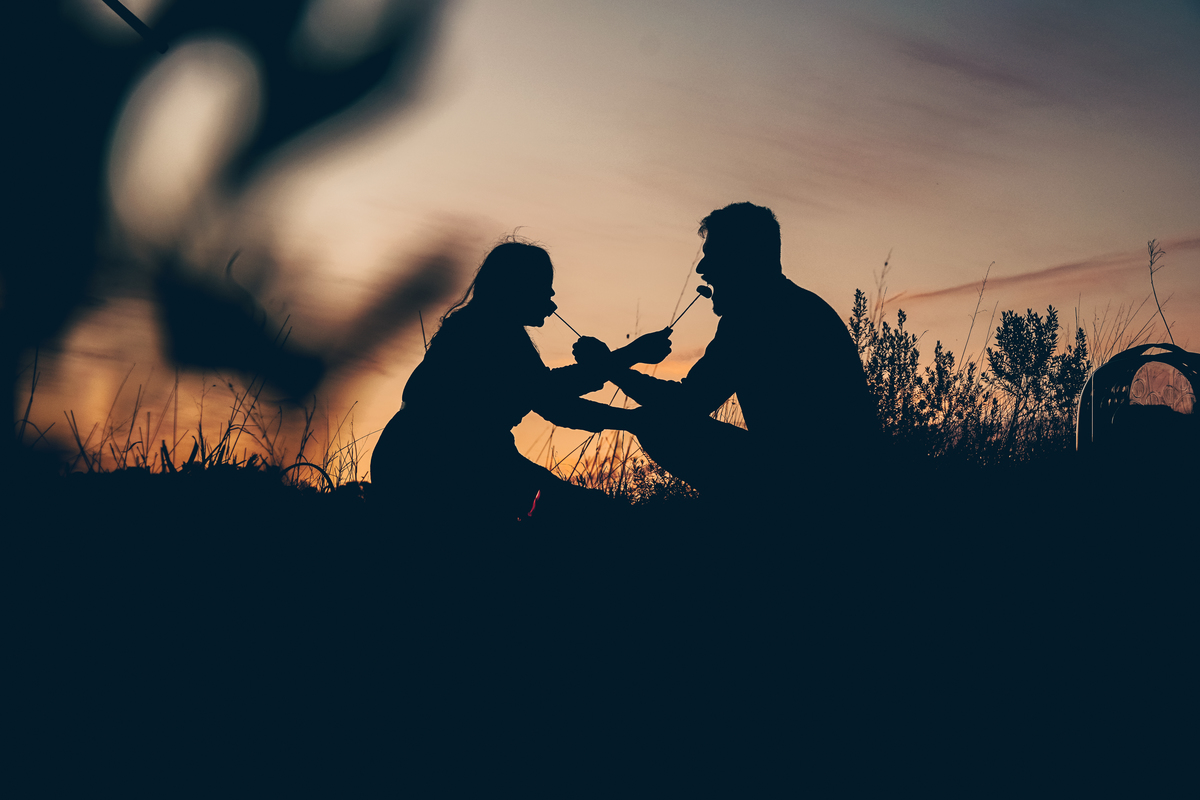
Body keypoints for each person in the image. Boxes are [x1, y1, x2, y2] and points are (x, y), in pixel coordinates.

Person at [574, 202, 874, 504]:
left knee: (658, 426)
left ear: (741, 259)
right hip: (843, 473)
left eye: (711, 256)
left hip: (811, 482)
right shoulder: (794, 304)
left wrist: (611, 367)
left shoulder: (755, 317)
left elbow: (686, 405)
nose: (702, 269)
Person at [370, 238, 668, 524]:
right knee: (593, 514)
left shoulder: (483, 326)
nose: (552, 298)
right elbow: (550, 396)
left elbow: (549, 399)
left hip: (426, 456)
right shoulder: (488, 332)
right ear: (518, 288)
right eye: (544, 288)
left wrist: (630, 412)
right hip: (443, 461)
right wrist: (628, 362)